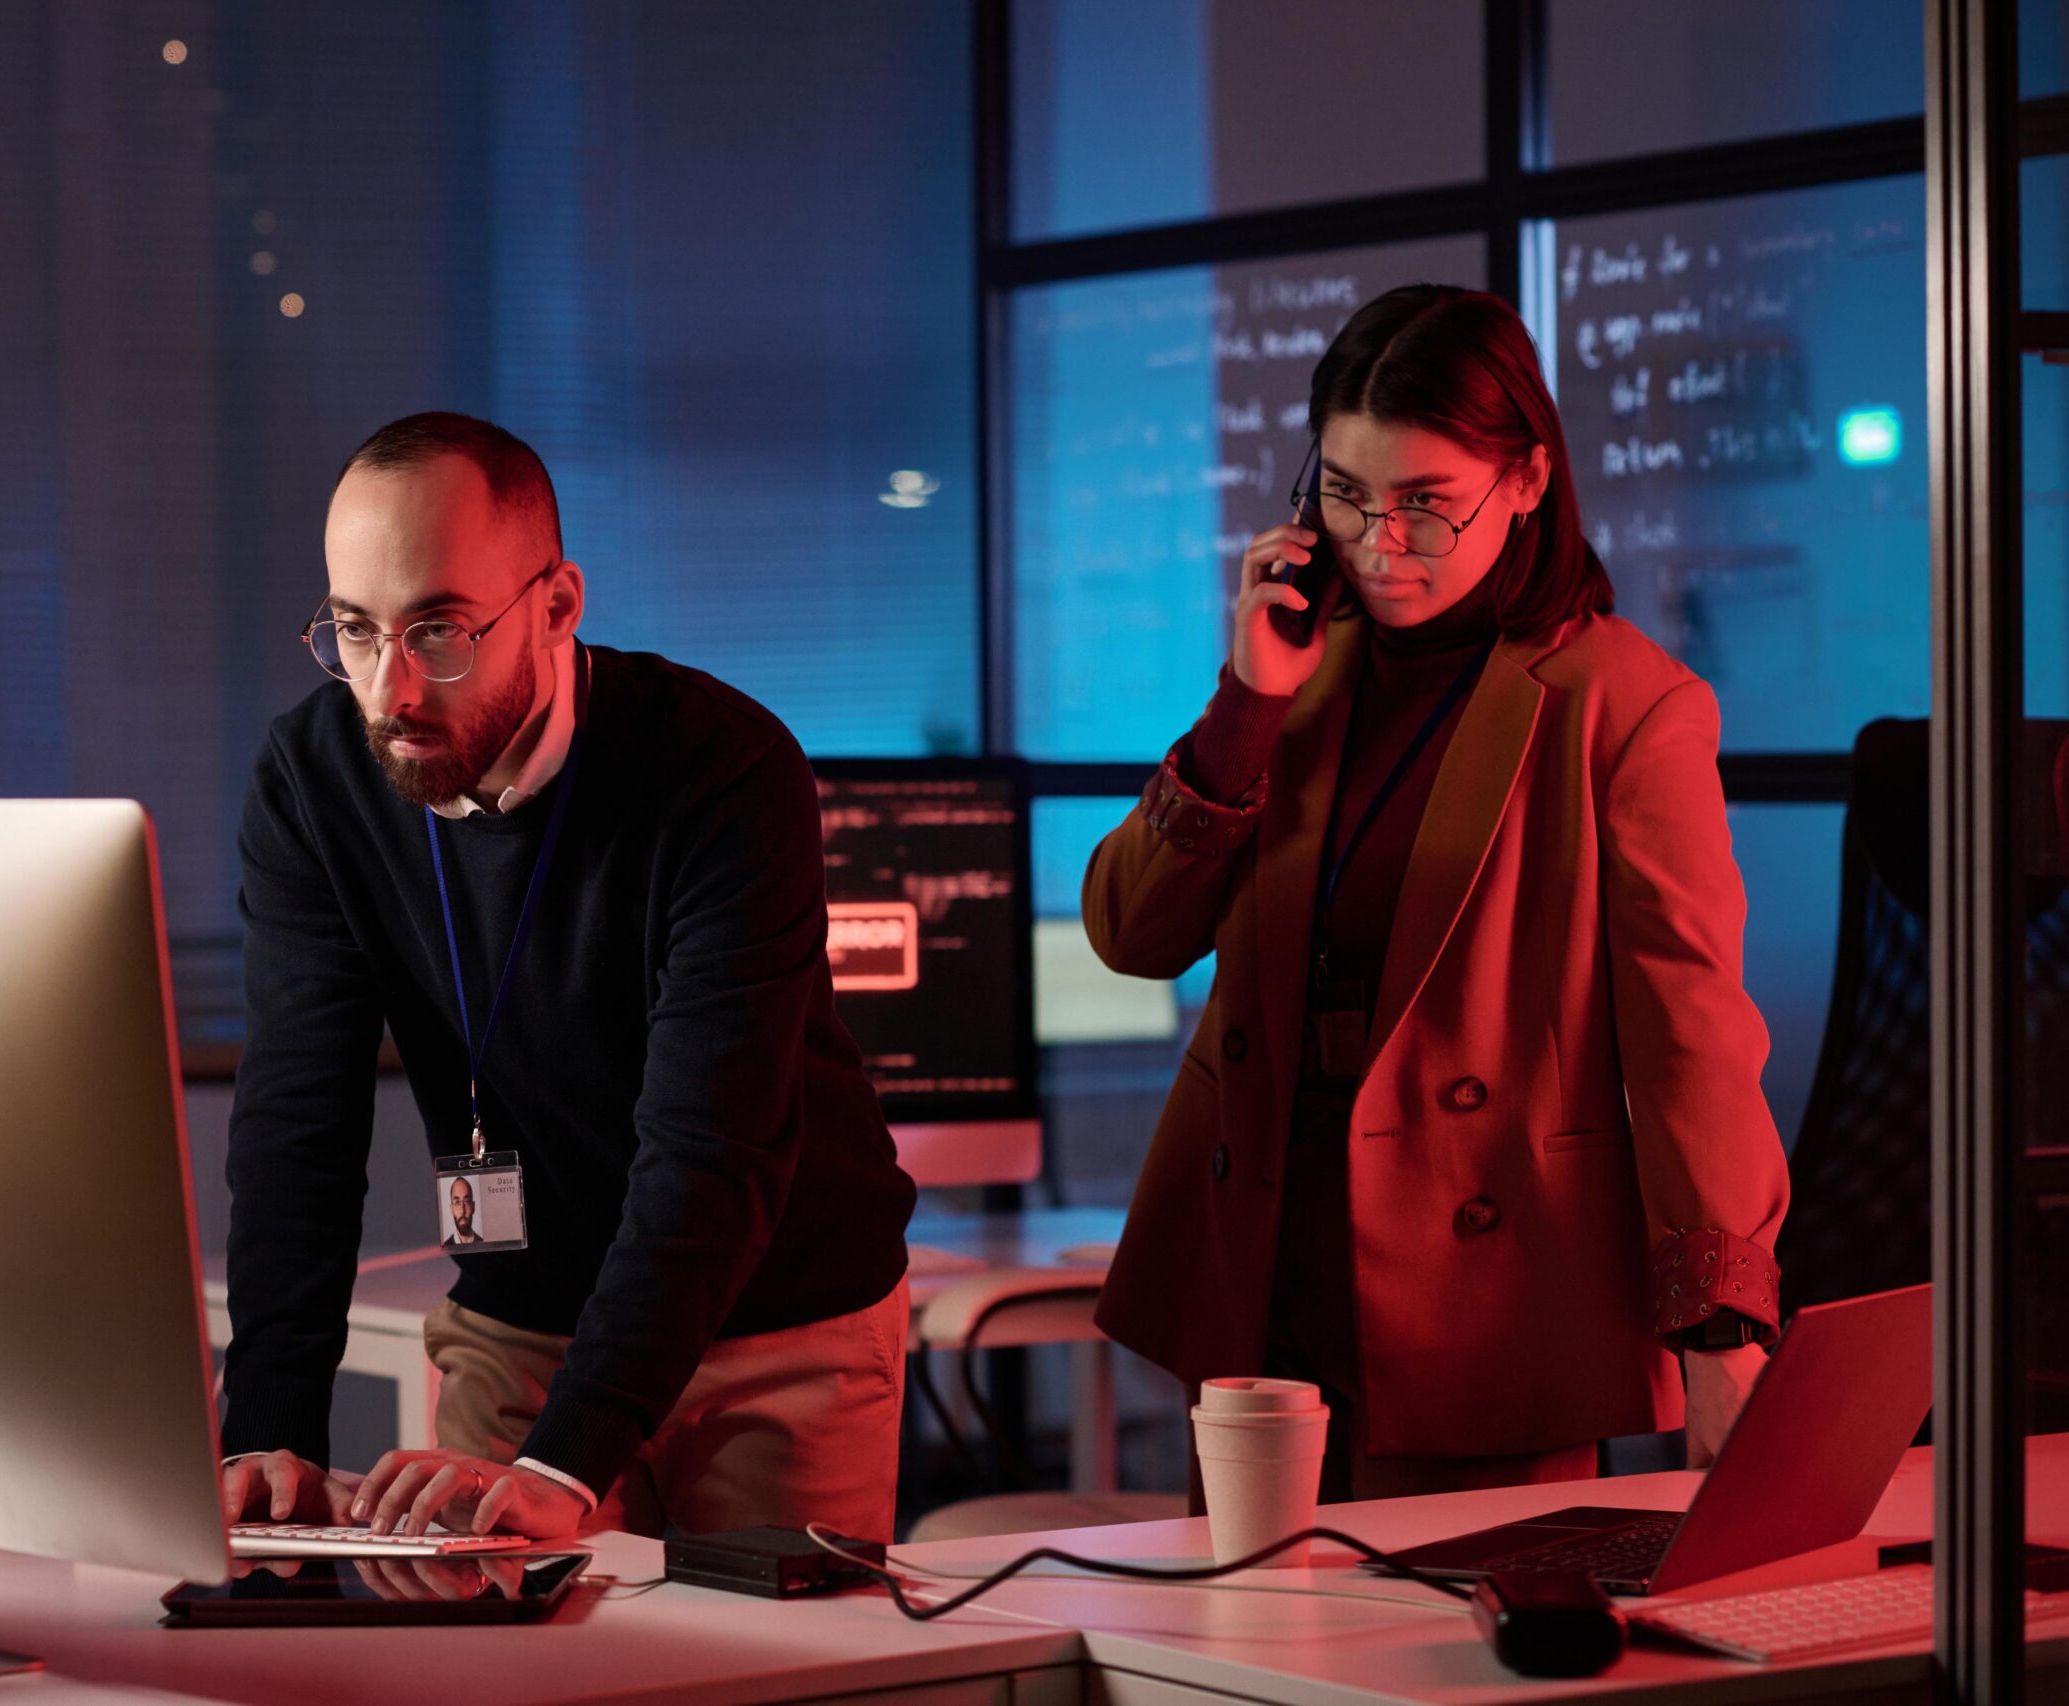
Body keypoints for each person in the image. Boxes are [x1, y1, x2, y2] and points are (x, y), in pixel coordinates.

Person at [1086, 285, 1789, 1502]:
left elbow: (1691, 1038)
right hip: (1261, 1263)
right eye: (1348, 495)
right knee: (1235, 1663)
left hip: (1479, 1282)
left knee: (1442, 1673)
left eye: (1424, 504)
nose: (1380, 542)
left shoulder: (1622, 704)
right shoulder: (1301, 667)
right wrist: (1246, 703)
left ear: (1522, 482)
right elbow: (1130, 934)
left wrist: (1721, 1321)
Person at [217, 411, 915, 1543]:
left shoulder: (722, 768)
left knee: (770, 1672)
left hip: (777, 1320)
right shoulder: (313, 777)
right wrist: (270, 1427)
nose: (390, 690)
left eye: (438, 629)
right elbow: (300, 1110)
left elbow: (710, 1144)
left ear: (556, 604)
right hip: (523, 1315)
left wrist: (570, 1456)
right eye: (354, 630)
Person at [441, 1176, 483, 1247]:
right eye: (457, 1202)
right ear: (452, 1209)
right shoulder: (444, 1249)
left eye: (466, 1201)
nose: (462, 1211)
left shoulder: (484, 1244)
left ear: (473, 1207)